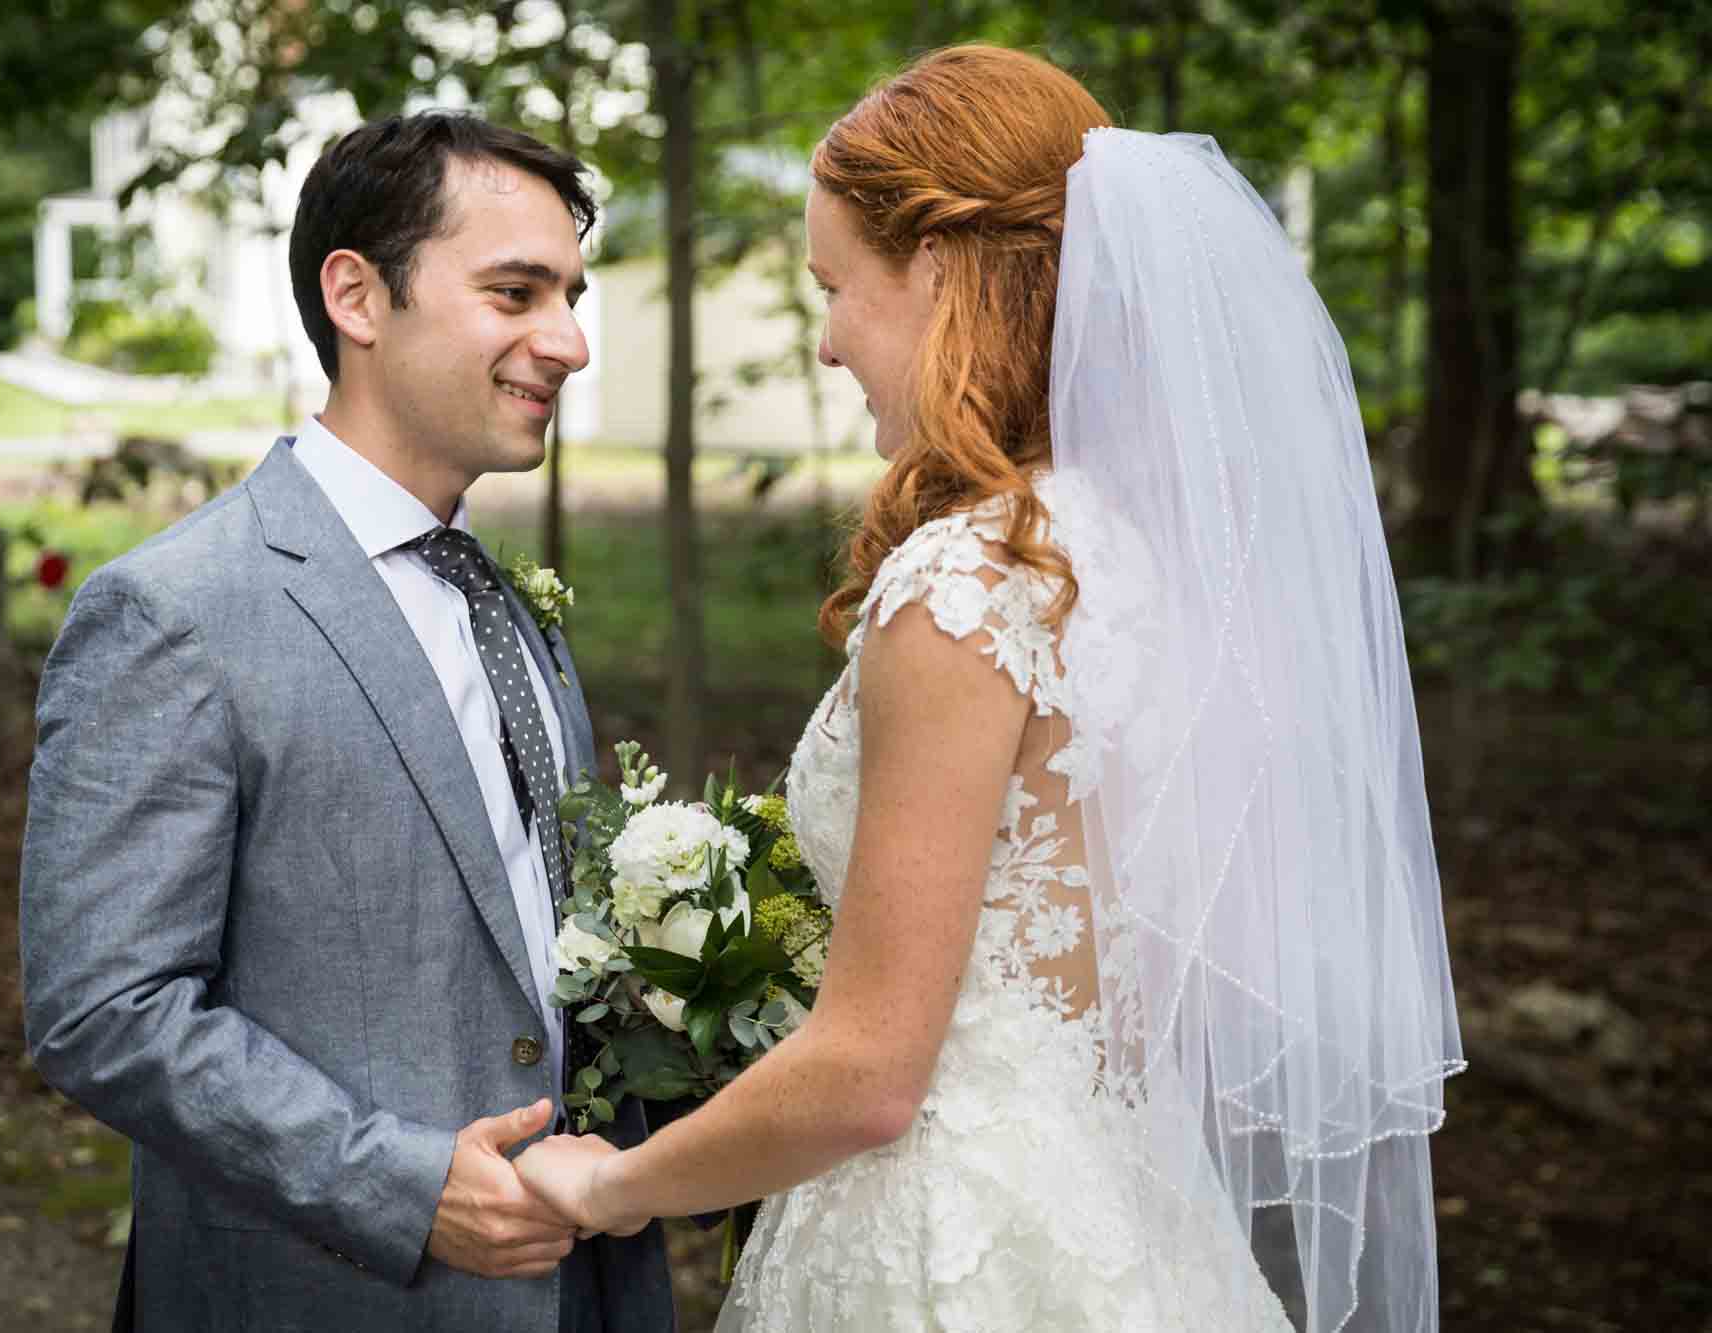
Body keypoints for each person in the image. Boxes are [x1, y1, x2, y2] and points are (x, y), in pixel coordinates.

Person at [514, 44, 1463, 1333]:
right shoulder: (1127, 552)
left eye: (836, 286)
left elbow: (867, 1074)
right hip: (1125, 1207)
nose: (828, 336)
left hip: (947, 1243)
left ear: (942, 270)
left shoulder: (971, 583)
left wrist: (614, 1184)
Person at [19, 112, 673, 1332]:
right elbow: (101, 1011)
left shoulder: (507, 605)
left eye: (570, 296)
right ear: (357, 296)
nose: (570, 343)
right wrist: (402, 1185)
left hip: (588, 1287)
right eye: (515, 292)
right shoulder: (174, 613)